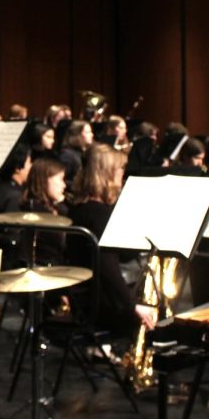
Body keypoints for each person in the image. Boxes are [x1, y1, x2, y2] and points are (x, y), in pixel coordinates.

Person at [67, 144, 155, 338]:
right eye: (120, 168)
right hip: (100, 305)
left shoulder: (83, 207)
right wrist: (133, 306)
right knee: (157, 312)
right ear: (106, 173)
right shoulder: (98, 214)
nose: (123, 173)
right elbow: (108, 269)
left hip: (87, 298)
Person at [58, 120, 94, 185]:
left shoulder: (86, 151)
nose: (92, 134)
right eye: (88, 132)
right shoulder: (67, 155)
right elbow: (62, 179)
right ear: (78, 134)